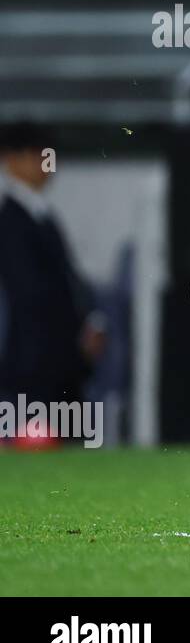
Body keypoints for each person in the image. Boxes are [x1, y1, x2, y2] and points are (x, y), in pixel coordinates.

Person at [0, 123, 106, 442]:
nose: (48, 165)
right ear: (13, 160)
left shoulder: (44, 216)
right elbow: (30, 295)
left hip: (60, 361)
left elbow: (69, 281)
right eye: (39, 156)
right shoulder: (11, 221)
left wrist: (89, 322)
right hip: (33, 365)